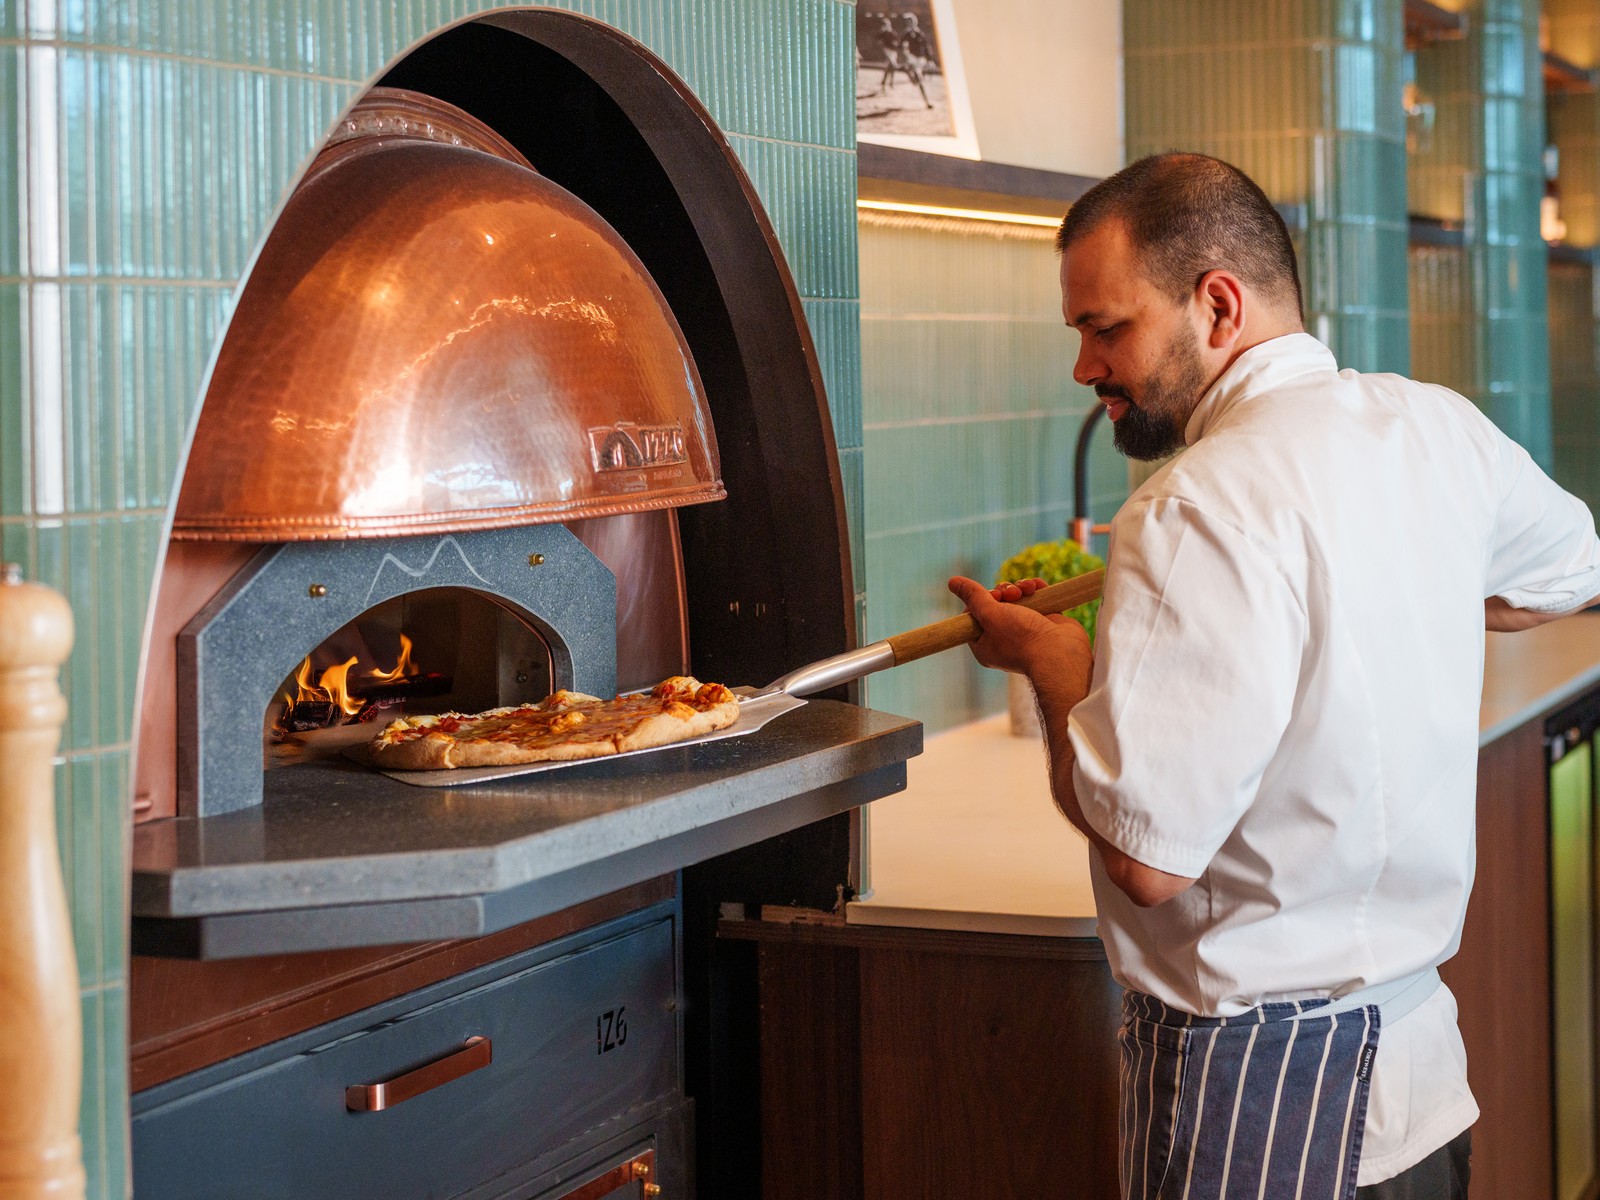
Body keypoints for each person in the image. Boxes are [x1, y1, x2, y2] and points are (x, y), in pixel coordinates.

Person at [947, 152, 1600, 1200]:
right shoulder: (1434, 429)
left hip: (1260, 1101)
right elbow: (1569, 573)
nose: (1084, 366)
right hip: (1422, 1092)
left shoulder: (1189, 506)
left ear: (1216, 305)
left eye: (1103, 328)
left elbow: (1147, 858)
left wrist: (1055, 663)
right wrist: (1395, 588)